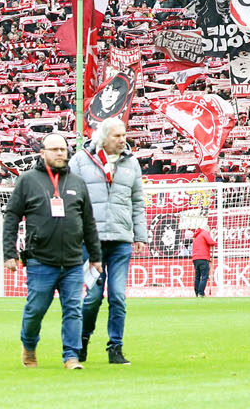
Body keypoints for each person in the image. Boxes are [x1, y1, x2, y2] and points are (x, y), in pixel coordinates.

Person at [1, 133, 102, 369]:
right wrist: (9, 253)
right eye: (54, 149)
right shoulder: (27, 180)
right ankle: (29, 345)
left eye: (63, 149)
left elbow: (88, 222)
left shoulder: (77, 182)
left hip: (73, 261)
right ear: (42, 152)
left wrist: (95, 256)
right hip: (40, 261)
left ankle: (71, 356)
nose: (59, 153)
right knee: (35, 310)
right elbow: (12, 217)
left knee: (73, 310)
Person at [68, 117, 148, 365]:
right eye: (117, 136)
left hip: (121, 240)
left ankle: (116, 347)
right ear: (103, 137)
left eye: (124, 135)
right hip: (91, 242)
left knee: (118, 296)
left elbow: (137, 201)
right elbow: (70, 198)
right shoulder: (80, 161)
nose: (123, 139)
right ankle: (81, 342)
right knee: (92, 297)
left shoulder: (131, 163)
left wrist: (140, 235)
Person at [188, 217, 215, 297]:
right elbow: (211, 242)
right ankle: (201, 293)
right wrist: (215, 242)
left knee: (197, 276)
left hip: (195, 259)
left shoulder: (196, 236)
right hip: (203, 258)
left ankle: (197, 293)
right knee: (204, 276)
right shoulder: (204, 233)